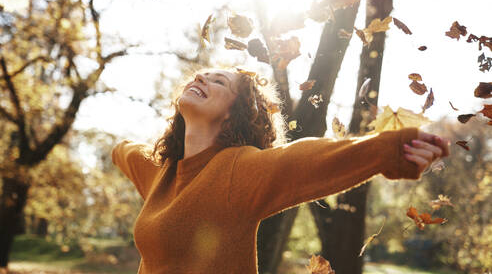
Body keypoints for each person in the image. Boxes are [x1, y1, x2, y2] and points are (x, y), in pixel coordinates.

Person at [112, 67, 450, 274]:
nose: (201, 76)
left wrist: (390, 150)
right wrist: (115, 148)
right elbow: (127, 152)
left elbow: (304, 159)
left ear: (233, 114)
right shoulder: (161, 172)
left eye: (218, 81)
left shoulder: (237, 171)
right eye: (203, 74)